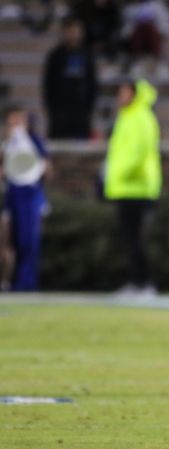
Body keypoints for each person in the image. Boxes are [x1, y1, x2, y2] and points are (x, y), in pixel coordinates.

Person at [103, 79, 161, 294]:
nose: (121, 97)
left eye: (125, 93)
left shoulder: (141, 118)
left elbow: (138, 153)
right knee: (130, 239)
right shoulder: (127, 117)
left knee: (136, 238)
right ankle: (136, 281)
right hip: (127, 187)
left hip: (137, 187)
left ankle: (144, 282)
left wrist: (120, 174)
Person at [0, 105, 51, 291]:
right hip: (12, 194)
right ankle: (10, 281)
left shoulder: (35, 142)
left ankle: (27, 282)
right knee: (9, 241)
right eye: (12, 121)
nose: (16, 125)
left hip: (30, 194)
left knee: (28, 240)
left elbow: (46, 170)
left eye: (19, 120)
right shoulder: (6, 144)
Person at [42, 16, 97, 139]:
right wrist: (53, 111)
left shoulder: (87, 56)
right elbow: (48, 85)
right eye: (70, 32)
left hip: (81, 115)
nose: (73, 35)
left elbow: (93, 84)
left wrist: (88, 109)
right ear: (65, 33)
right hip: (59, 115)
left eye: (76, 32)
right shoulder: (55, 56)